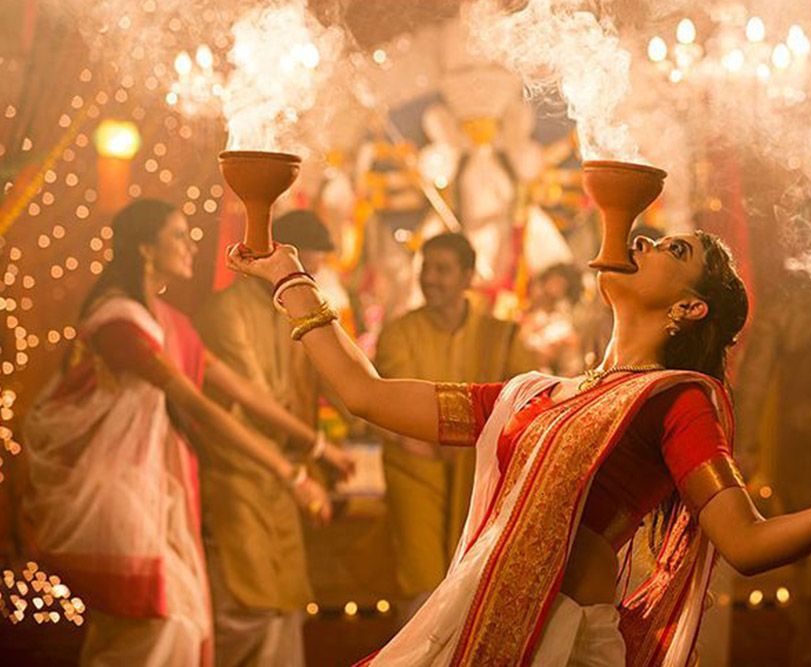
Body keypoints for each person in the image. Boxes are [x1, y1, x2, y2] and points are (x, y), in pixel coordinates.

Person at [227, 230, 811, 666]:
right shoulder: (534, 396)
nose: (643, 242)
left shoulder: (677, 398)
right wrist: (287, 277)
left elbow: (744, 539)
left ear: (688, 308)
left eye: (674, 250)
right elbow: (365, 392)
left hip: (565, 648)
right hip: (489, 631)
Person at [22, 200, 332, 667]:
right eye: (178, 236)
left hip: (159, 486)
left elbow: (242, 391)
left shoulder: (173, 322)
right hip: (121, 486)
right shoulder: (119, 320)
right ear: (146, 247)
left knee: (181, 621)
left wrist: (319, 448)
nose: (191, 246)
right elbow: (199, 407)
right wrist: (291, 474)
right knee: (154, 621)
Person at [195, 209, 355, 667]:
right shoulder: (226, 312)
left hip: (286, 482)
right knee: (249, 613)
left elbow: (331, 383)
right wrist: (319, 447)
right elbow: (257, 400)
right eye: (309, 269)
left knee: (286, 612)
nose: (313, 280)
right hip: (238, 477)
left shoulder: (293, 313)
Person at [374, 232, 536, 607]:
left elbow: (529, 402)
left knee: (479, 587)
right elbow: (389, 405)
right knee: (423, 591)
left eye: (443, 270)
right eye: (426, 268)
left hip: (479, 475)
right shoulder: (399, 333)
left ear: (467, 277)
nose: (430, 278)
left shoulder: (500, 337)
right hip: (416, 470)